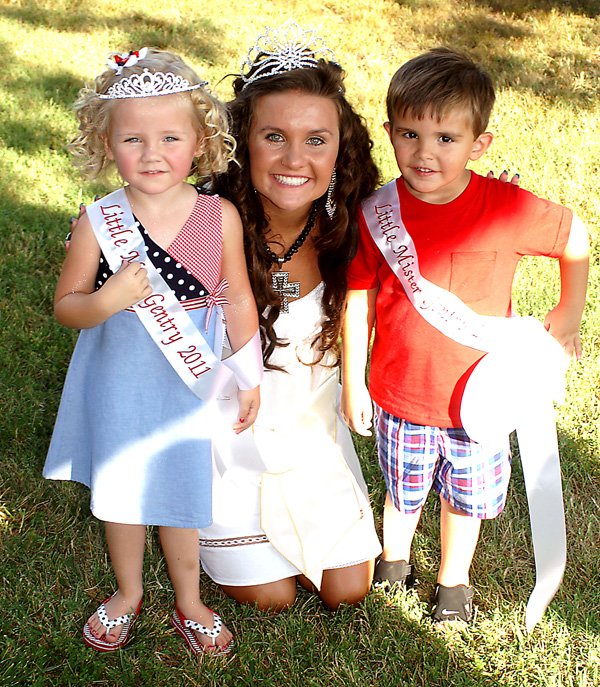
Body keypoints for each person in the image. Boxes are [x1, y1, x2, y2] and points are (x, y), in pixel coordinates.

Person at [342, 47, 589, 623]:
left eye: (446, 138)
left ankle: (454, 581)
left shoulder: (504, 208)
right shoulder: (376, 213)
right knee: (401, 487)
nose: (424, 152)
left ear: (480, 144)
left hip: (482, 396)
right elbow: (358, 298)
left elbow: (573, 236)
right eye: (409, 134)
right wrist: (353, 382)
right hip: (402, 391)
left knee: (466, 497)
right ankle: (395, 559)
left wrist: (570, 310)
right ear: (389, 132)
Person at [44, 48, 262, 654]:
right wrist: (106, 300)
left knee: (182, 491)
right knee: (123, 489)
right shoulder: (98, 221)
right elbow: (68, 306)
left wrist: (248, 377)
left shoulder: (218, 217)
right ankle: (128, 591)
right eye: (133, 139)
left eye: (170, 137)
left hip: (189, 382)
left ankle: (189, 599)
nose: (152, 153)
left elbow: (238, 300)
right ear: (106, 143)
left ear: (200, 142)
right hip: (119, 377)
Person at [197, 21, 382, 611]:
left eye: (316, 139)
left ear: (340, 147)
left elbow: (448, 227)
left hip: (312, 440)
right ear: (241, 144)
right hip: (225, 443)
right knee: (272, 597)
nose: (295, 158)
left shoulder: (356, 227)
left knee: (349, 589)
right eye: (273, 136)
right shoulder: (201, 224)